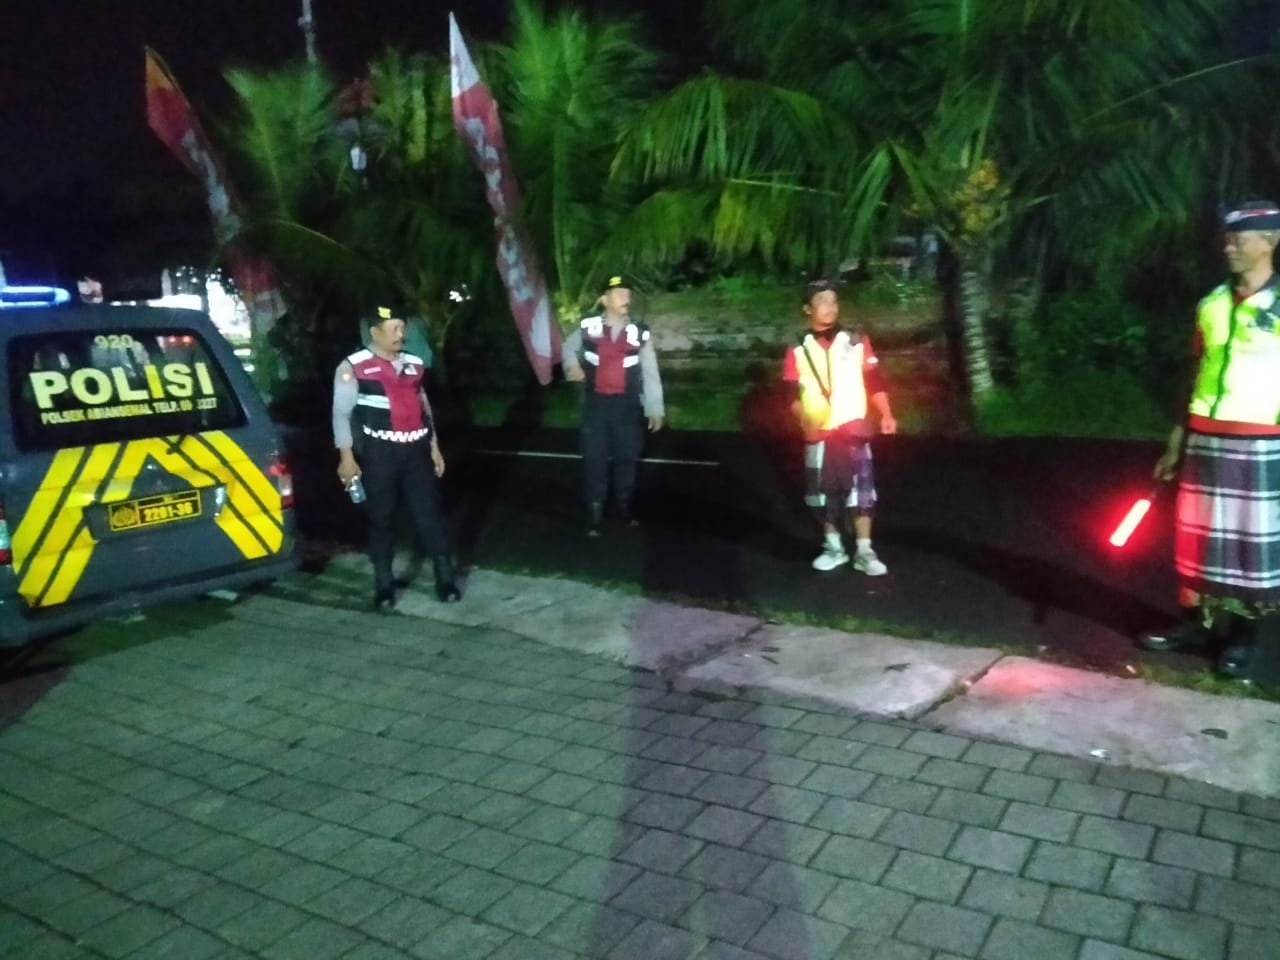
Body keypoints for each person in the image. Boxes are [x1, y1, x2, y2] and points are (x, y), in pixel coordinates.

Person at [1140, 200, 1280, 678]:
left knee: (1247, 546)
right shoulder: (1211, 304)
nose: (1228, 248)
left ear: (1269, 241)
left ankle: (1243, 639)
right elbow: (1196, 372)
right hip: (1204, 436)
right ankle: (1194, 624)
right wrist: (1176, 440)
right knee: (1196, 539)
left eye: (1238, 240)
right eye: (1226, 240)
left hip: (1261, 441)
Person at [333, 302, 461, 609]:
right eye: (393, 329)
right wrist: (346, 458)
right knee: (381, 518)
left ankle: (445, 579)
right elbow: (341, 414)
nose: (400, 334)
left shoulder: (414, 364)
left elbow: (424, 407)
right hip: (381, 453)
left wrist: (434, 447)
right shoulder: (352, 366)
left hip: (416, 451)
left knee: (430, 515)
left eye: (402, 328)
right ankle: (384, 585)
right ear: (375, 332)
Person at [784, 278, 897, 574]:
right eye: (822, 302)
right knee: (822, 495)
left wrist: (886, 413)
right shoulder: (798, 347)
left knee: (861, 492)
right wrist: (803, 418)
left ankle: (864, 551)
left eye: (834, 301)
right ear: (807, 309)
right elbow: (790, 394)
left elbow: (874, 380)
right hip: (819, 433)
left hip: (853, 428)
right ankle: (833, 547)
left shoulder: (856, 340)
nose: (830, 308)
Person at [562, 275, 665, 536]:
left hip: (627, 407)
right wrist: (571, 366)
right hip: (595, 407)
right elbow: (567, 348)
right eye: (619, 293)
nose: (626, 298)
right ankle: (595, 513)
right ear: (604, 299)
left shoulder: (639, 332)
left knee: (627, 459)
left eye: (628, 293)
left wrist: (655, 407)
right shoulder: (589, 326)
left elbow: (650, 370)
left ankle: (623, 508)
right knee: (594, 458)